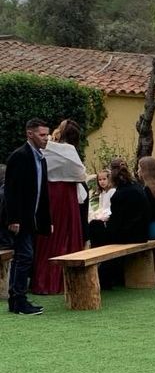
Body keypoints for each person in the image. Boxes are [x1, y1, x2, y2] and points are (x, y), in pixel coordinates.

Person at [31, 119, 87, 295]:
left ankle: (44, 281)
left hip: (51, 193)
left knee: (49, 236)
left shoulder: (48, 148)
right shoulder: (70, 151)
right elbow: (80, 173)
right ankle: (65, 281)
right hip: (67, 194)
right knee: (68, 234)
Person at [5, 118, 52, 314]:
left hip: (32, 219)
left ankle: (17, 300)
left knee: (24, 258)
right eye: (42, 135)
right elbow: (11, 191)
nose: (46, 139)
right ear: (30, 134)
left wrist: (46, 221)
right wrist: (13, 219)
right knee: (24, 257)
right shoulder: (19, 157)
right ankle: (18, 300)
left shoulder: (40, 158)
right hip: (21, 219)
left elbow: (42, 193)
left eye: (47, 135)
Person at [89, 158, 151, 288]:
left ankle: (101, 264)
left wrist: (105, 223)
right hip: (142, 232)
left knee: (94, 226)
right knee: (98, 225)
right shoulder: (137, 187)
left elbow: (116, 225)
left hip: (128, 235)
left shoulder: (119, 195)